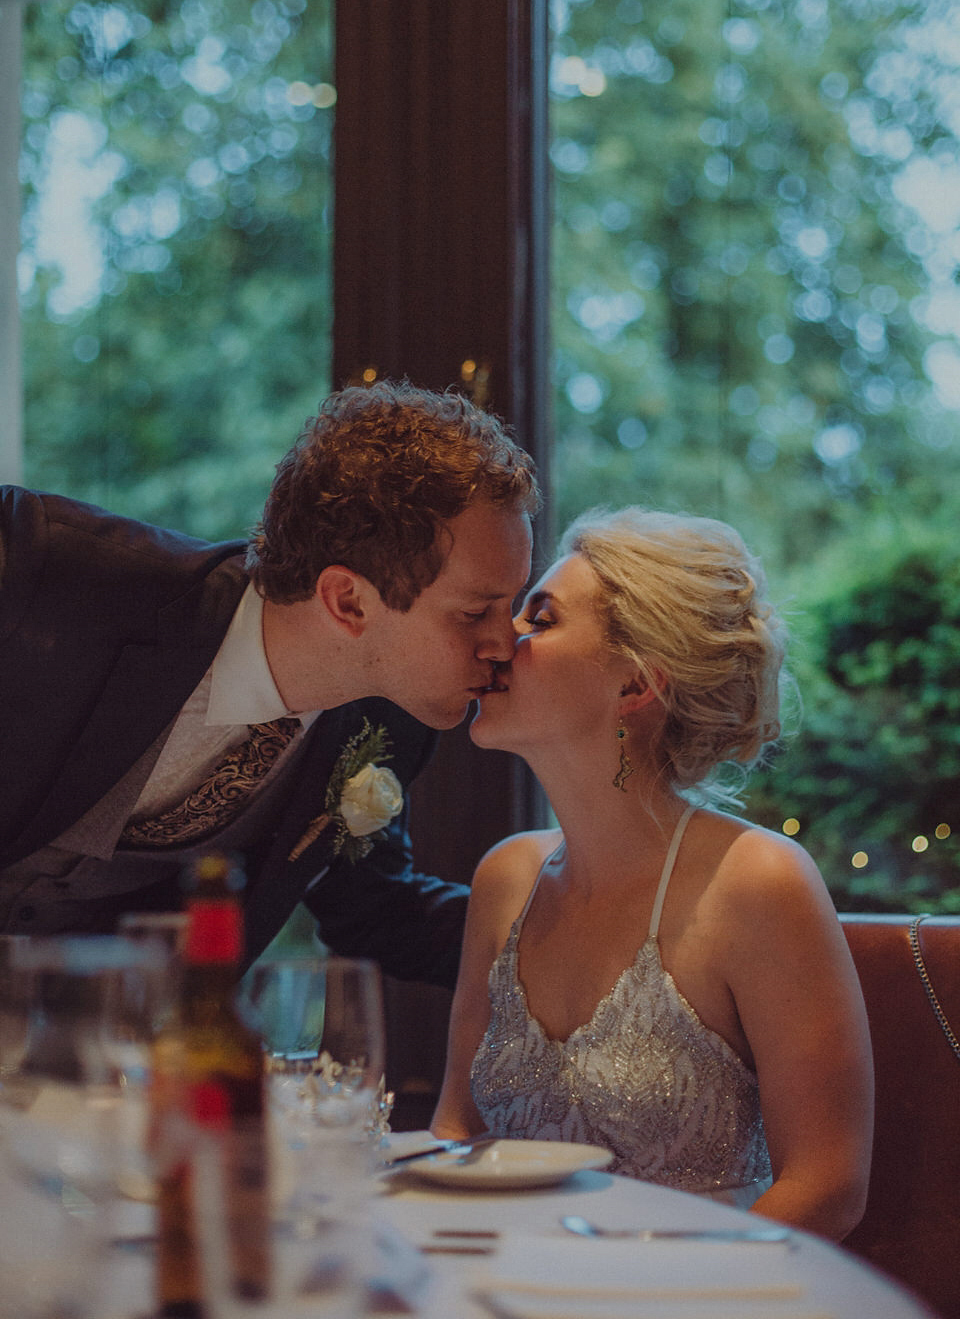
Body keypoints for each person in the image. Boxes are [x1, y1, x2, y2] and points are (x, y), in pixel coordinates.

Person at [0, 380, 537, 984]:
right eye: (474, 612)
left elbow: (379, 912)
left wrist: (591, 925)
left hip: (94, 1050)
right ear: (348, 601)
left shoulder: (388, 722)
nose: (506, 645)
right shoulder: (37, 563)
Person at [432, 506, 873, 1238]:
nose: (501, 639)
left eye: (539, 620)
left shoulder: (758, 882)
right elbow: (457, 1124)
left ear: (635, 685)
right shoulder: (507, 879)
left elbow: (827, 1186)